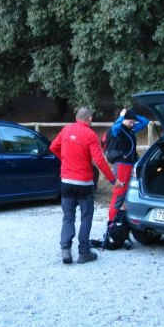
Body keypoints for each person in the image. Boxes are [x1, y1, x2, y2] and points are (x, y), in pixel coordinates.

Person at [50, 107, 120, 264]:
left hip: (66, 181)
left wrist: (65, 159)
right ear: (90, 119)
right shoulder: (90, 135)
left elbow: (53, 147)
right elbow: (99, 160)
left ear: (76, 118)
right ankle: (84, 252)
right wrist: (112, 180)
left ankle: (66, 250)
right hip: (84, 183)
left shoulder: (66, 130)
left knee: (68, 216)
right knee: (86, 216)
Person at [107, 108, 149, 221]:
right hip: (122, 165)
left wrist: (133, 115)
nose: (132, 124)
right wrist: (122, 116)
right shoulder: (118, 129)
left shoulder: (131, 129)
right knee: (119, 193)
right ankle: (111, 221)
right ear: (123, 119)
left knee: (129, 192)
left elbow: (145, 122)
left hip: (131, 164)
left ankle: (124, 220)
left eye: (133, 122)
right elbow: (115, 127)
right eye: (130, 122)